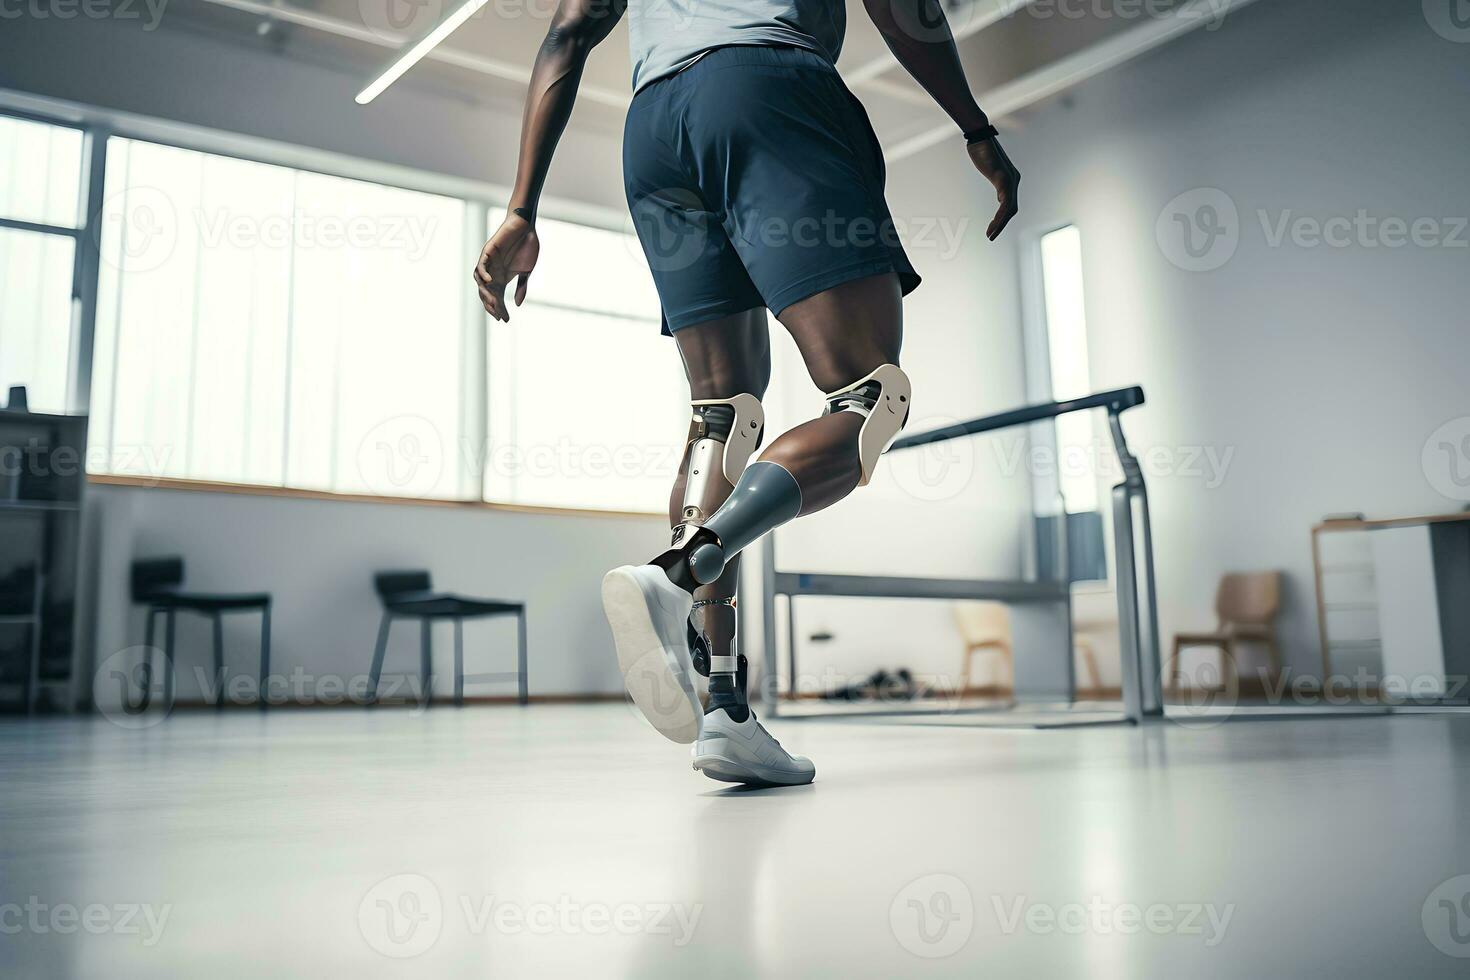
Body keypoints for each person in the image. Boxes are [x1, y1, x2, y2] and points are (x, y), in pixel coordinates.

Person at [474, 0, 1020, 786]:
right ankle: (679, 574)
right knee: (872, 398)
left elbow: (567, 29)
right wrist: (977, 129)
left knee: (721, 414)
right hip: (768, 90)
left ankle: (725, 710)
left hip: (654, 128)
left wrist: (522, 208)